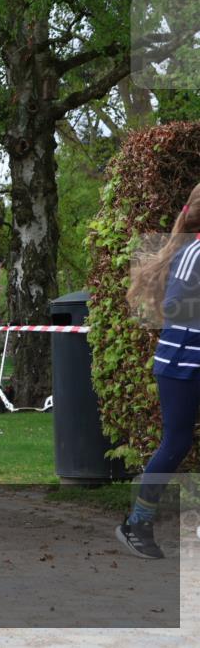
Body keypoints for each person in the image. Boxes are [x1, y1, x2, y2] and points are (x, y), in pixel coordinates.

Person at [118, 183, 200, 559]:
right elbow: (175, 306)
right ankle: (137, 522)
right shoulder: (193, 253)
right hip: (181, 365)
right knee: (176, 443)